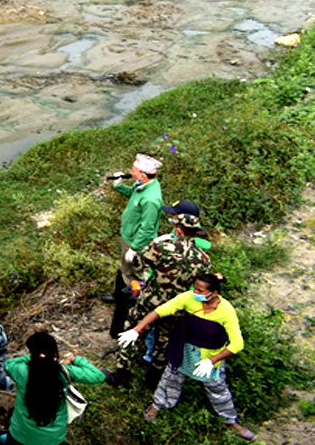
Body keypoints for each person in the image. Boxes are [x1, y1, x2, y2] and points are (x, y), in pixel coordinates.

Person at [125, 274, 255, 440]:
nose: (195, 292)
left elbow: (237, 344)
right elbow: (161, 310)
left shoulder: (226, 311)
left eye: (200, 290)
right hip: (184, 350)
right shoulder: (188, 298)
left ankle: (230, 420)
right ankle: (157, 406)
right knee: (170, 379)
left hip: (209, 357)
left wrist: (212, 361)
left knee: (217, 388)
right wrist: (137, 329)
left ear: (213, 293)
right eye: (195, 288)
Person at [108, 199, 210, 388]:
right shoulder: (203, 258)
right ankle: (153, 379)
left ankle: (122, 375)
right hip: (176, 307)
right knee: (164, 342)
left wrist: (155, 243)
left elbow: (138, 261)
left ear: (178, 229)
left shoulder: (165, 247)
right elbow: (201, 283)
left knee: (133, 333)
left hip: (151, 302)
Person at [4, 331, 106, 445]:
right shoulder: (63, 373)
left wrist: (34, 357)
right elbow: (98, 376)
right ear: (54, 352)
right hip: (53, 439)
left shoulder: (21, 371)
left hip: (21, 435)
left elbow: (9, 364)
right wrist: (75, 359)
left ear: (31, 352)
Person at [104, 154, 163, 337]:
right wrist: (120, 186)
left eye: (134, 170)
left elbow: (147, 228)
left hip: (135, 242)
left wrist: (134, 248)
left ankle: (130, 308)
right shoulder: (142, 186)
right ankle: (118, 296)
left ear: (143, 175)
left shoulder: (152, 199)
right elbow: (132, 195)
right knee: (123, 268)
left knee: (131, 273)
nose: (131, 172)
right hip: (128, 236)